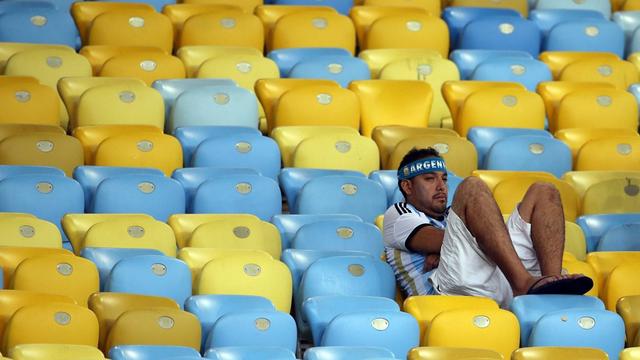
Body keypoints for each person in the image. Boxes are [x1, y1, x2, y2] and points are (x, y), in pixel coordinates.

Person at [383, 147, 592, 307]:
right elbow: (436, 240)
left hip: (492, 276)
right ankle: (522, 282)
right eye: (429, 179)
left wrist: (442, 251)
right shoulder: (399, 213)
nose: (441, 186)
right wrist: (445, 247)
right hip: (448, 293)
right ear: (407, 186)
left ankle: (551, 283)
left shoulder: (452, 216)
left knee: (544, 191)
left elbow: (474, 239)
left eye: (444, 179)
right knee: (471, 187)